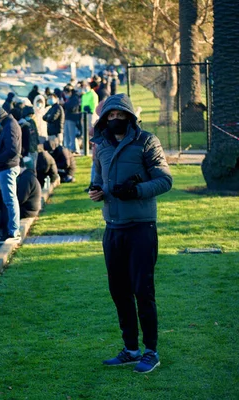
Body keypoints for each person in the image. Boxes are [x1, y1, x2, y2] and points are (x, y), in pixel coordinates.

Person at [89, 93, 172, 374]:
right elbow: (97, 179)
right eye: (109, 116)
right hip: (113, 228)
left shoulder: (147, 141)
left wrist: (136, 190)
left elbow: (164, 180)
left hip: (141, 227)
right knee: (119, 292)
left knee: (143, 291)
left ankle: (151, 351)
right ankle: (131, 349)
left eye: (119, 115)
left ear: (129, 116)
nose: (114, 120)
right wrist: (97, 191)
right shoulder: (100, 145)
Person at [0, 104, 22, 244]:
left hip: (7, 167)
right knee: (10, 200)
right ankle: (12, 229)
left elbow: (13, 150)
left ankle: (13, 231)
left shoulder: (10, 126)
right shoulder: (10, 124)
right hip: (8, 166)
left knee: (10, 200)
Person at [63, 88, 82, 154]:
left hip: (72, 118)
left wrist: (64, 104)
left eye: (66, 93)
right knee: (67, 135)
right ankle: (68, 149)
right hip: (68, 118)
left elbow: (72, 108)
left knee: (72, 135)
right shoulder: (70, 99)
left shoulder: (74, 98)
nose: (65, 95)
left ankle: (72, 149)